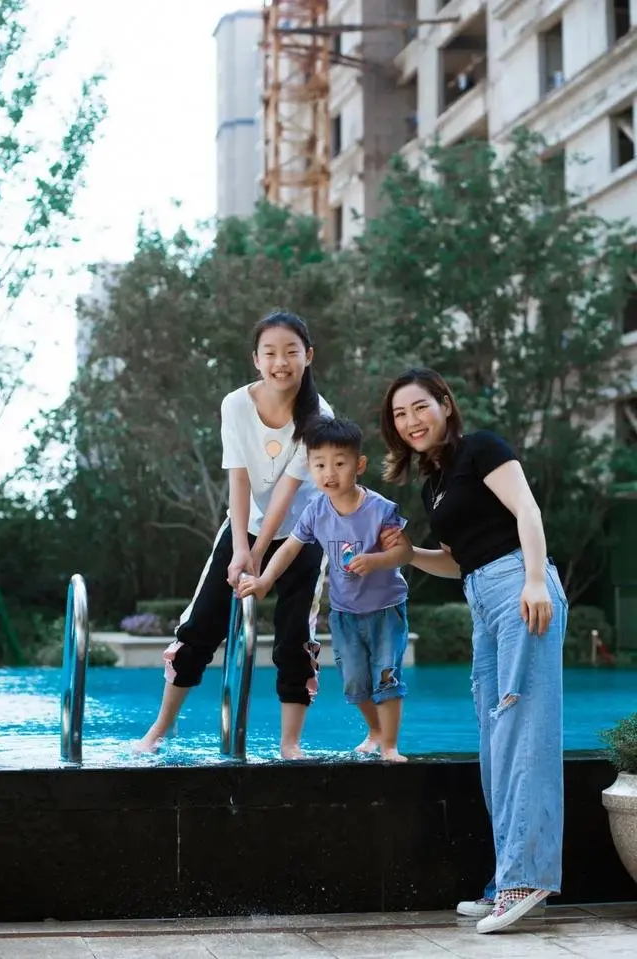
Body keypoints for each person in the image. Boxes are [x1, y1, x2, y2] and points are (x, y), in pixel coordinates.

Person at [379, 368, 568, 934]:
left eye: (419, 408)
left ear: (444, 404)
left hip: (518, 587)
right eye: (399, 415)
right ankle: (506, 876)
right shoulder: (432, 484)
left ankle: (526, 877)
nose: (411, 422)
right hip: (482, 599)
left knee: (523, 729)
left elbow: (527, 512)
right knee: (496, 740)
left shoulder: (482, 448)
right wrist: (411, 553)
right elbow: (458, 561)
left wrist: (535, 580)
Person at [135, 311, 332, 760]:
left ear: (308, 356)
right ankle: (160, 730)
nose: (281, 362)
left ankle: (290, 744)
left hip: (304, 537)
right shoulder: (236, 404)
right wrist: (242, 546)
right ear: (256, 360)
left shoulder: (319, 416)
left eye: (291, 352)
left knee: (293, 638)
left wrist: (262, 552)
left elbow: (288, 491)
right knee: (200, 624)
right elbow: (238, 477)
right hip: (243, 525)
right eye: (270, 353)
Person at [238, 416, 412, 762]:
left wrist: (376, 561)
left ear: (358, 465)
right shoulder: (315, 510)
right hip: (345, 612)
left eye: (339, 463)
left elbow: (404, 551)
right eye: (319, 465)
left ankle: (390, 745)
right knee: (354, 681)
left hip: (384, 609)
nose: (329, 473)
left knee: (386, 676)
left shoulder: (380, 509)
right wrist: (265, 581)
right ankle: (375, 730)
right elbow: (289, 548)